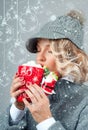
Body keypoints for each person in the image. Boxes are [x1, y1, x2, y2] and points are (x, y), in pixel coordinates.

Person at [1, 10, 88, 130]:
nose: (39, 58)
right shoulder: (36, 94)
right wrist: (18, 108)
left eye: (50, 51)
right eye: (38, 50)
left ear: (69, 56)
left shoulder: (85, 101)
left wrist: (45, 120)